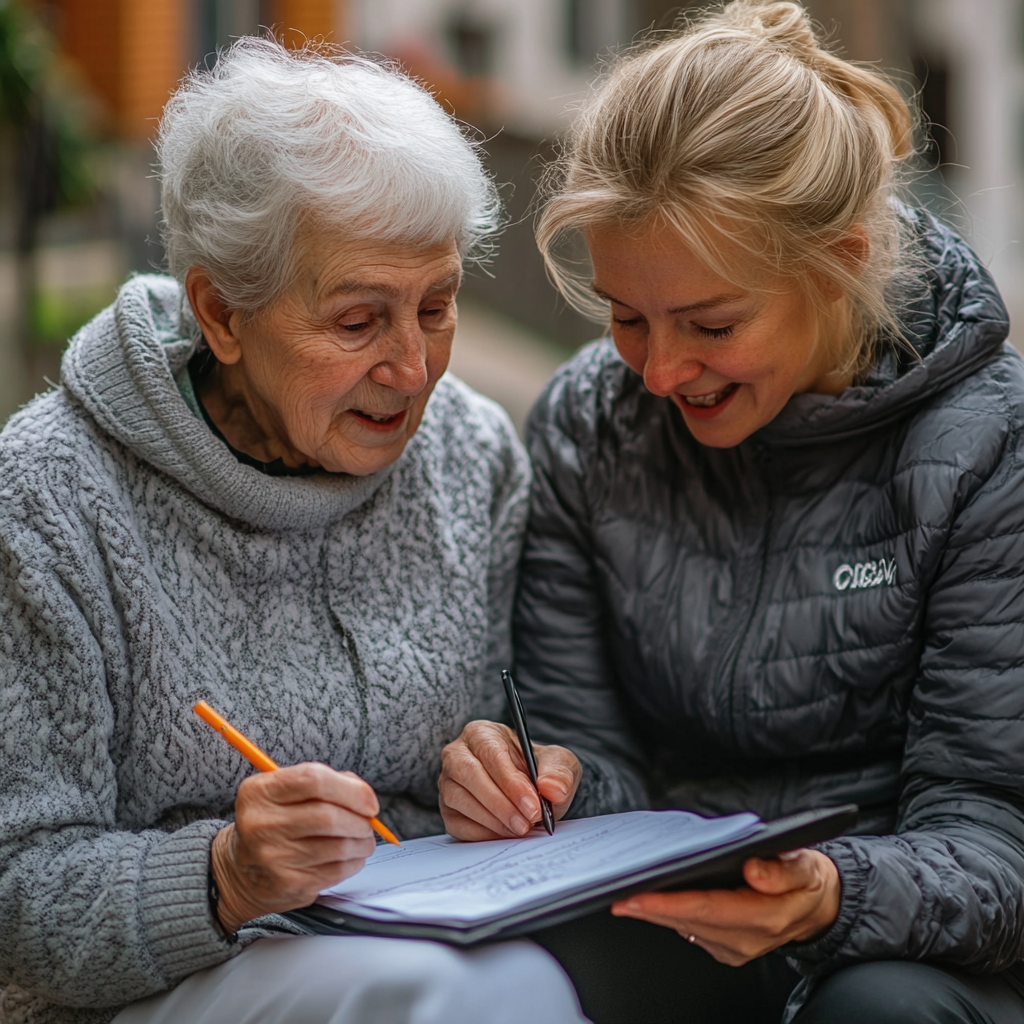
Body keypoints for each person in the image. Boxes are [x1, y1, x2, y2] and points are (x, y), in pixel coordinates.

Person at [439, 3, 1024, 1022]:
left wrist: (830, 893)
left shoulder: (988, 445)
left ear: (839, 260)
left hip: (914, 946)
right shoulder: (590, 422)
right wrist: (550, 783)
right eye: (626, 317)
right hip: (679, 917)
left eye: (710, 323)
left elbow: (994, 839)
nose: (660, 371)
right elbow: (589, 752)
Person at [0, 38, 586, 1024]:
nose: (413, 367)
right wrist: (223, 873)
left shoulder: (471, 455)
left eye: (436, 307)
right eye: (358, 322)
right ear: (221, 315)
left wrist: (523, 779)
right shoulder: (53, 492)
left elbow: (564, 734)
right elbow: (20, 894)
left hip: (435, 935)